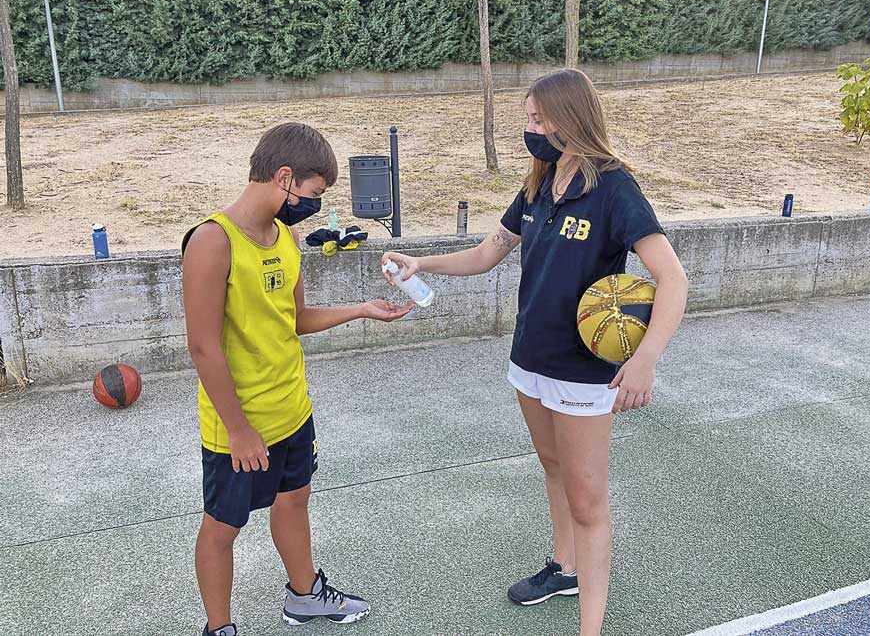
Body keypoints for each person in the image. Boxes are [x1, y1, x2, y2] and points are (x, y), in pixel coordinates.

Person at [382, 69, 688, 635]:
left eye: (537, 119)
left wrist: (644, 359)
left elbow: (673, 279)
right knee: (553, 469)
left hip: (582, 373)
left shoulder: (615, 189)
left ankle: (589, 629)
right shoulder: (537, 184)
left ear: (571, 119)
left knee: (589, 504)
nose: (531, 129)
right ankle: (564, 566)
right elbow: (486, 253)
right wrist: (420, 263)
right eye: (528, 118)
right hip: (530, 362)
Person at [182, 122, 413, 636]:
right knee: (223, 527)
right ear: (284, 177)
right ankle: (218, 627)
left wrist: (360, 310)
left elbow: (294, 319)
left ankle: (304, 597)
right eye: (314, 194)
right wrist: (239, 430)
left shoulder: (284, 236)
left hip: (292, 408)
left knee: (294, 499)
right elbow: (203, 347)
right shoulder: (211, 241)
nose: (313, 205)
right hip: (238, 425)